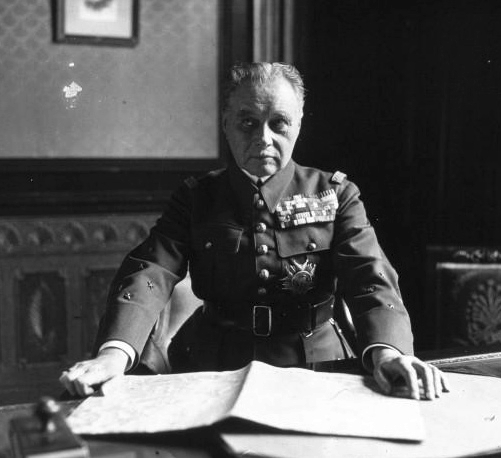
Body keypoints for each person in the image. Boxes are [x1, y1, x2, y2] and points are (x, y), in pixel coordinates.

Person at [60, 62, 449, 400]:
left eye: (279, 123)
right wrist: (114, 354)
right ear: (226, 123)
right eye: (248, 122)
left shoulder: (335, 194)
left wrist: (390, 353)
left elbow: (371, 278)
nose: (263, 138)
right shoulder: (197, 197)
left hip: (317, 367)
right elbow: (152, 270)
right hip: (213, 365)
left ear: (298, 125)